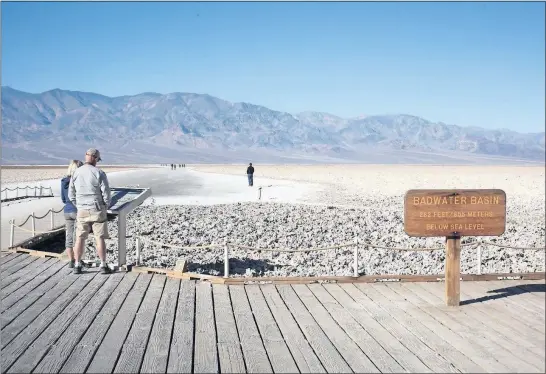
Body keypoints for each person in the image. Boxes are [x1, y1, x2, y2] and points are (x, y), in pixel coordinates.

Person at [69, 148, 112, 275]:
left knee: (80, 238)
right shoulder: (99, 172)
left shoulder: (76, 173)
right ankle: (103, 265)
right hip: (97, 209)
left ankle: (77, 265)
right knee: (99, 237)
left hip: (82, 209)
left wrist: (79, 205)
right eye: (98, 159)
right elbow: (106, 193)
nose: (97, 161)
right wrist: (105, 206)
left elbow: (71, 194)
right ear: (94, 157)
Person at [61, 159, 83, 268]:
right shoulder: (78, 181)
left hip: (67, 210)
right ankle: (78, 260)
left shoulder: (64, 181)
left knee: (69, 236)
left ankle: (71, 260)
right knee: (79, 237)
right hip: (77, 209)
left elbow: (63, 199)